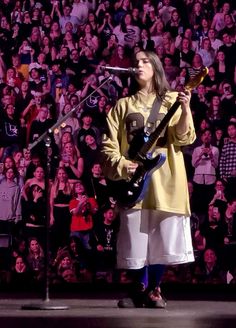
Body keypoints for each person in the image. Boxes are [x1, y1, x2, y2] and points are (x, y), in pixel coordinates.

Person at [101, 50, 196, 308]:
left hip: (166, 179)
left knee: (160, 235)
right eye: (136, 62)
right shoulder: (122, 105)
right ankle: (138, 287)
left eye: (145, 61)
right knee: (135, 236)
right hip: (134, 179)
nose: (139, 65)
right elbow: (108, 145)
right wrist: (122, 165)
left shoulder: (173, 99)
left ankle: (155, 288)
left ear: (155, 67)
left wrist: (186, 109)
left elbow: (185, 138)